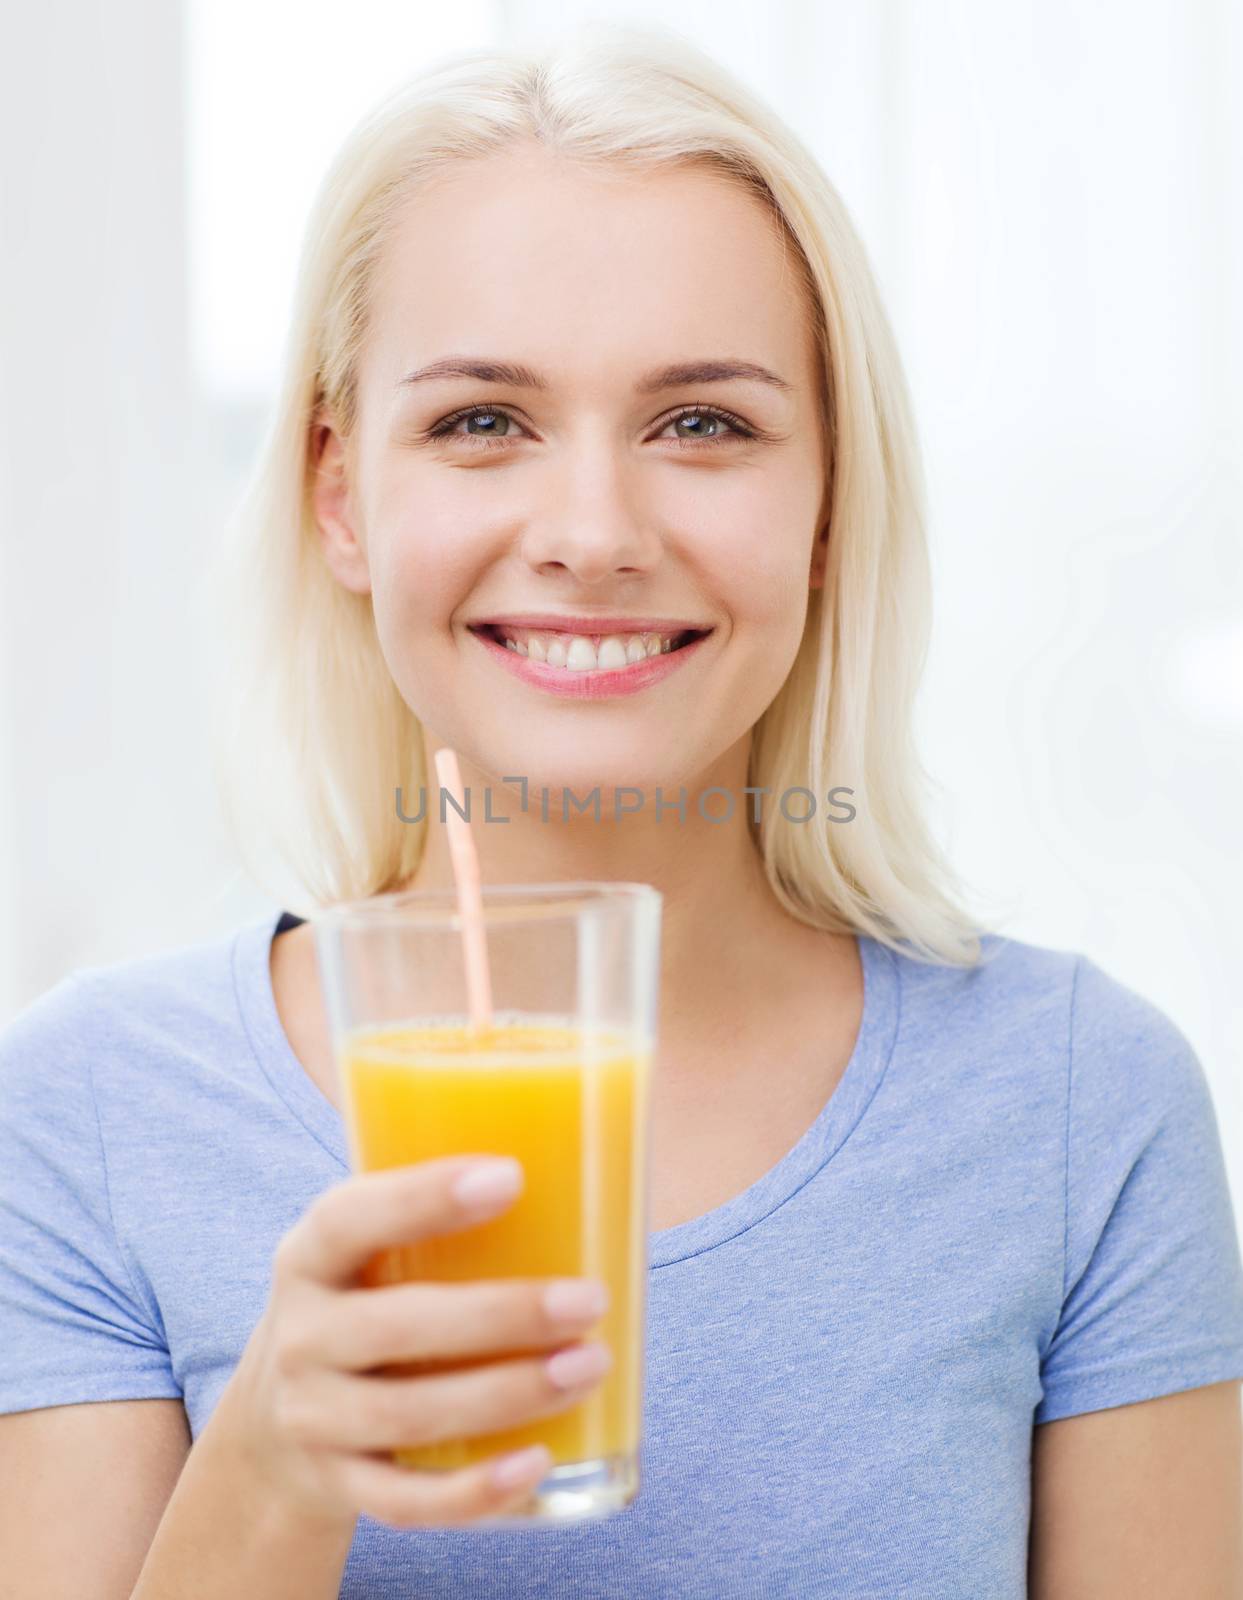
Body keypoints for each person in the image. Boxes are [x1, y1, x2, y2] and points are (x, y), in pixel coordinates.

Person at [2, 23, 1241, 1599]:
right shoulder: (87, 1120)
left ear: (827, 506)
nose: (592, 533)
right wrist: (270, 1471)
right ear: (338, 496)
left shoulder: (1084, 1110)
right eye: (480, 422)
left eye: (703, 423)